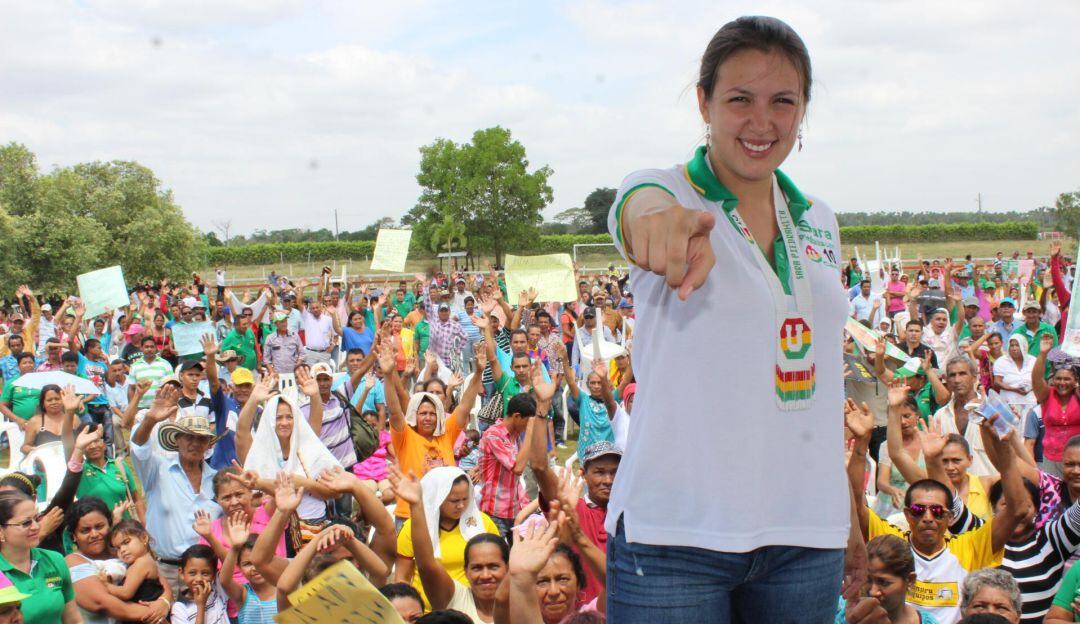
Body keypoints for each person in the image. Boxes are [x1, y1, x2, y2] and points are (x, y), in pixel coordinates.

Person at [605, 17, 863, 621]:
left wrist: (845, 507)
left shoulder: (818, 218)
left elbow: (819, 378)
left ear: (803, 111)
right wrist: (655, 223)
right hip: (676, 538)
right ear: (704, 102)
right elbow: (636, 208)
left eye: (783, 102)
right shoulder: (668, 192)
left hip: (805, 532)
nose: (761, 122)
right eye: (740, 100)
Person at [130, 386, 224, 597]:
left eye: (201, 438)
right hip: (166, 570)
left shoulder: (216, 479)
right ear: (177, 440)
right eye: (188, 437)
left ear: (208, 444)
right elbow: (138, 449)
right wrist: (150, 420)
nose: (195, 443)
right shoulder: (158, 469)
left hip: (206, 572)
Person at [383, 336, 483, 524]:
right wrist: (389, 376)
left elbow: (465, 406)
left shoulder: (446, 434)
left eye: (432, 413)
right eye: (423, 413)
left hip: (443, 515)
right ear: (415, 415)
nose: (428, 418)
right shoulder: (406, 436)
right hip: (410, 515)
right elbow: (395, 411)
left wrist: (478, 373)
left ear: (439, 416)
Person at [390, 466, 509, 624]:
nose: (460, 506)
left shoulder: (483, 523)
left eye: (465, 499)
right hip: (432, 611)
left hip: (473, 604)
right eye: (454, 501)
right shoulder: (414, 528)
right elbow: (418, 569)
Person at [0, 491, 81, 624]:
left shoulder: (55, 560)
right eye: (26, 523)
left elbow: (73, 619)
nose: (36, 526)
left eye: (37, 519)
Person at [834, 535, 941, 623]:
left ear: (910, 580)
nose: (873, 591)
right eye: (868, 580)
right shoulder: (841, 615)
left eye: (884, 582)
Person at [104, 519, 171, 624]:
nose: (122, 550)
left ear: (144, 538)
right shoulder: (148, 560)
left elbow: (126, 593)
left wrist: (105, 585)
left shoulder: (140, 564)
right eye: (118, 548)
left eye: (126, 542)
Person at [1032, 336, 1080, 477]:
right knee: (1053, 498)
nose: (1062, 382)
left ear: (1075, 380)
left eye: (1067, 379)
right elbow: (1036, 379)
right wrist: (1043, 353)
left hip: (1077, 459)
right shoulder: (1047, 395)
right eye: (1058, 378)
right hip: (1051, 459)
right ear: (1053, 379)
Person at [217, 513, 278, 624]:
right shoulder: (243, 594)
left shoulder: (283, 589)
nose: (255, 568)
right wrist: (235, 548)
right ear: (239, 567)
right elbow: (225, 581)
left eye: (259, 562)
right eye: (247, 564)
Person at [75, 423, 142, 522]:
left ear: (105, 444)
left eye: (97, 441)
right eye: (88, 443)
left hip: (124, 529)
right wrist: (69, 414)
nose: (93, 446)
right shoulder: (79, 471)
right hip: (96, 532)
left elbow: (136, 500)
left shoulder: (120, 465)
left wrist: (144, 527)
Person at [171, 544, 229, 624]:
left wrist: (209, 536)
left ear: (214, 574)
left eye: (205, 573)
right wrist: (201, 605)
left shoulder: (218, 589)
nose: (199, 579)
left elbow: (228, 562)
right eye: (192, 573)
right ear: (181, 573)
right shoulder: (179, 608)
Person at [21, 384, 82, 454]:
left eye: (57, 399)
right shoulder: (35, 421)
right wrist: (37, 451)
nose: (54, 402)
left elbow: (82, 442)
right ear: (43, 403)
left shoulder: (74, 418)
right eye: (49, 400)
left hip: (71, 461)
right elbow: (25, 447)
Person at [992, 335, 1036, 417]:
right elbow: (997, 382)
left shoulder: (1033, 361)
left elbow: (1038, 380)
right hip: (1009, 403)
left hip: (1030, 402)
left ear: (1024, 346)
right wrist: (1014, 389)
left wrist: (1029, 388)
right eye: (1012, 345)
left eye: (1017, 345)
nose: (1014, 348)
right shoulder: (1001, 361)